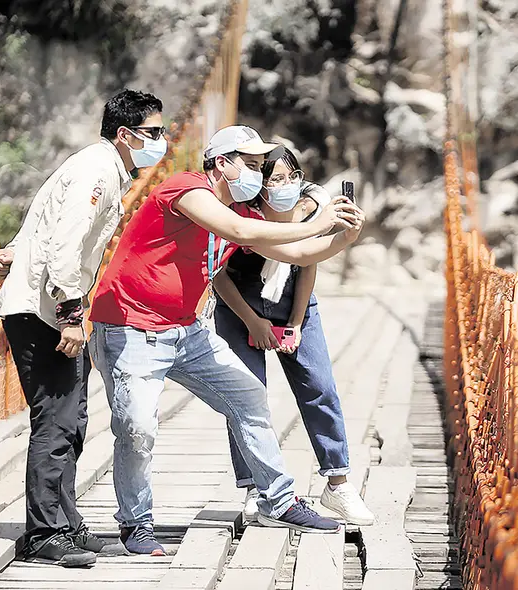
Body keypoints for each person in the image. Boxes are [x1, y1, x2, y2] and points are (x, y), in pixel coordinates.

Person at [87, 125, 366, 555]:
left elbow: (295, 255)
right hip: (131, 328)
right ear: (222, 163)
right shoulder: (186, 190)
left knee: (250, 398)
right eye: (252, 165)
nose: (258, 175)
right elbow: (243, 233)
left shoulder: (243, 214)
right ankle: (136, 524)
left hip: (186, 329)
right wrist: (319, 223)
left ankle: (279, 499)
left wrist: (342, 237)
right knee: (137, 428)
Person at [0, 89, 166, 568]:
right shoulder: (97, 170)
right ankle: (45, 532)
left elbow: (46, 221)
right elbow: (66, 246)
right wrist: (72, 316)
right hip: (45, 311)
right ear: (125, 135)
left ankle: (65, 524)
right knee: (55, 420)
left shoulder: (102, 167)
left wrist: (16, 248)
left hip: (51, 304)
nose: (162, 141)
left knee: (73, 420)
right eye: (153, 133)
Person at [213, 148, 375, 526]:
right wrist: (253, 322)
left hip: (292, 301)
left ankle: (338, 483)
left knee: (320, 386)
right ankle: (258, 487)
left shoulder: (312, 208)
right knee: (246, 396)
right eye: (274, 180)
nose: (284, 186)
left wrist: (297, 322)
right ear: (259, 186)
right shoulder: (240, 215)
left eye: (291, 177)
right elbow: (217, 273)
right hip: (239, 302)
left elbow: (305, 263)